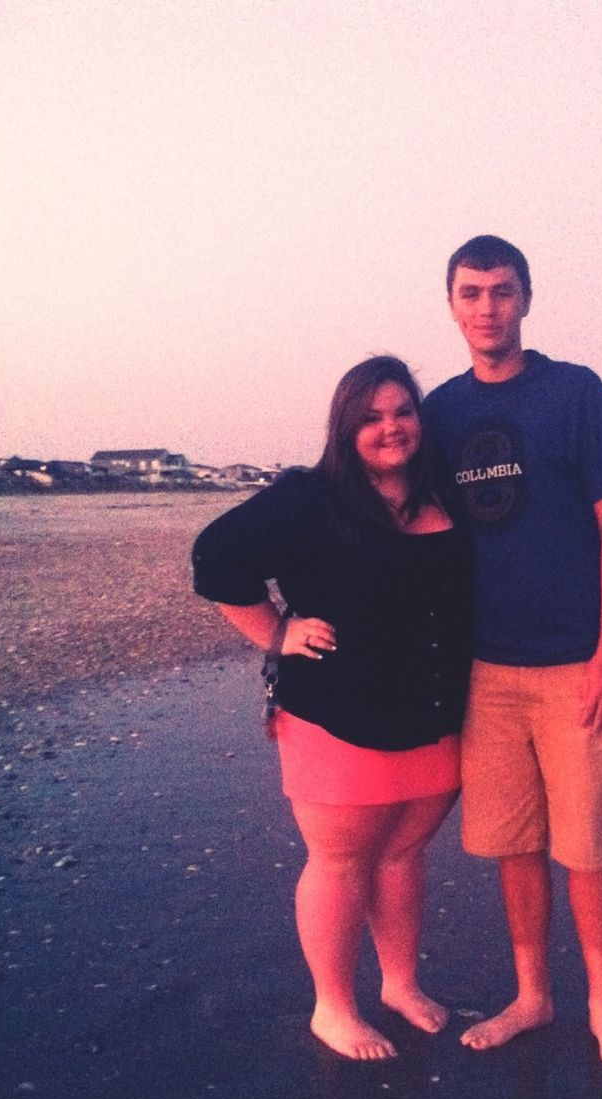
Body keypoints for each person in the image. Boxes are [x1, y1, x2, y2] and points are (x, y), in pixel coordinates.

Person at [192, 356, 473, 1061]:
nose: (390, 428)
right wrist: (277, 632)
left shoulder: (443, 491)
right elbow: (216, 556)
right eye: (371, 417)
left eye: (402, 411)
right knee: (342, 859)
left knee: (404, 854)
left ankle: (400, 985)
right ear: (345, 427)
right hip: (335, 714)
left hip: (433, 710)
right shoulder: (309, 497)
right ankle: (333, 1006)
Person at [422, 236, 602, 1074]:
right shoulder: (439, 412)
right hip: (483, 671)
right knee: (514, 843)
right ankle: (532, 995)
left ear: (526, 300)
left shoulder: (574, 392)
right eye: (472, 293)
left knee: (588, 848)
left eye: (503, 291)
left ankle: (601, 1005)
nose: (487, 307)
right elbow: (407, 525)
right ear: (451, 305)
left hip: (573, 665)